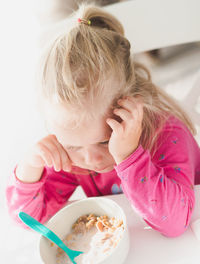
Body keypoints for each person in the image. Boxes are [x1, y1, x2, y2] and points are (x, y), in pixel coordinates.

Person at [6, 4, 200, 237]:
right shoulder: (73, 154)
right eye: (72, 145)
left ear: (132, 105)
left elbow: (176, 224)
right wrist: (30, 167)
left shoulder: (166, 133)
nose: (89, 159)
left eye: (104, 142)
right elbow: (27, 219)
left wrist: (128, 156)